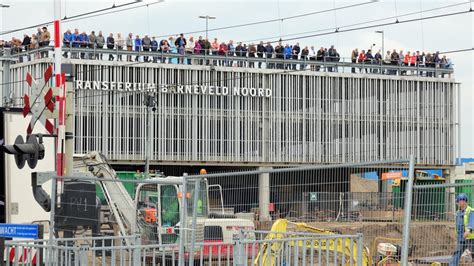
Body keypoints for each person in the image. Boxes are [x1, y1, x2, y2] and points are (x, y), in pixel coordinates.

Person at [450, 193, 474, 266]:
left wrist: (469, 230)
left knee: (473, 253)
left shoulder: (471, 210)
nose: (459, 202)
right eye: (458, 201)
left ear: (465, 201)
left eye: (460, 200)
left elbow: (472, 221)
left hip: (470, 238)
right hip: (461, 237)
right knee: (457, 253)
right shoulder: (458, 213)